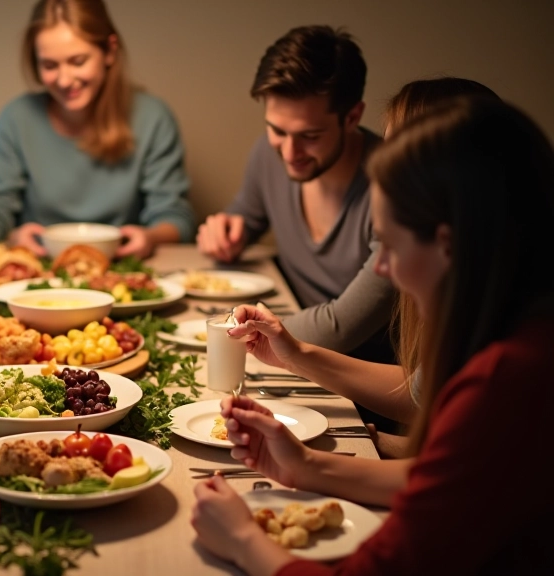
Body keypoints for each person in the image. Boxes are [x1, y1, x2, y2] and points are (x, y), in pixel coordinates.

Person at [191, 97, 554, 575]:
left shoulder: (503, 384)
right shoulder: (524, 336)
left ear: (446, 246)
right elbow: (444, 481)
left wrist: (242, 540)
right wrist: (304, 466)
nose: (382, 268)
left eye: (391, 245)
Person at [0, 0, 196, 259]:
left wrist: (150, 238)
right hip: (37, 273)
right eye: (49, 65)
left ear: (110, 51)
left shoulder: (153, 118)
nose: (64, 79)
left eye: (78, 61)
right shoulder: (17, 117)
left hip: (122, 270)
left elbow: (174, 216)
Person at [196, 25, 396, 366]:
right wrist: (224, 233)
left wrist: (233, 330)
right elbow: (245, 216)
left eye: (310, 136)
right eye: (276, 130)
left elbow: (341, 326)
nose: (290, 152)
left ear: (352, 117)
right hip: (290, 358)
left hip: (361, 379)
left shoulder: (395, 187)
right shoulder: (268, 153)